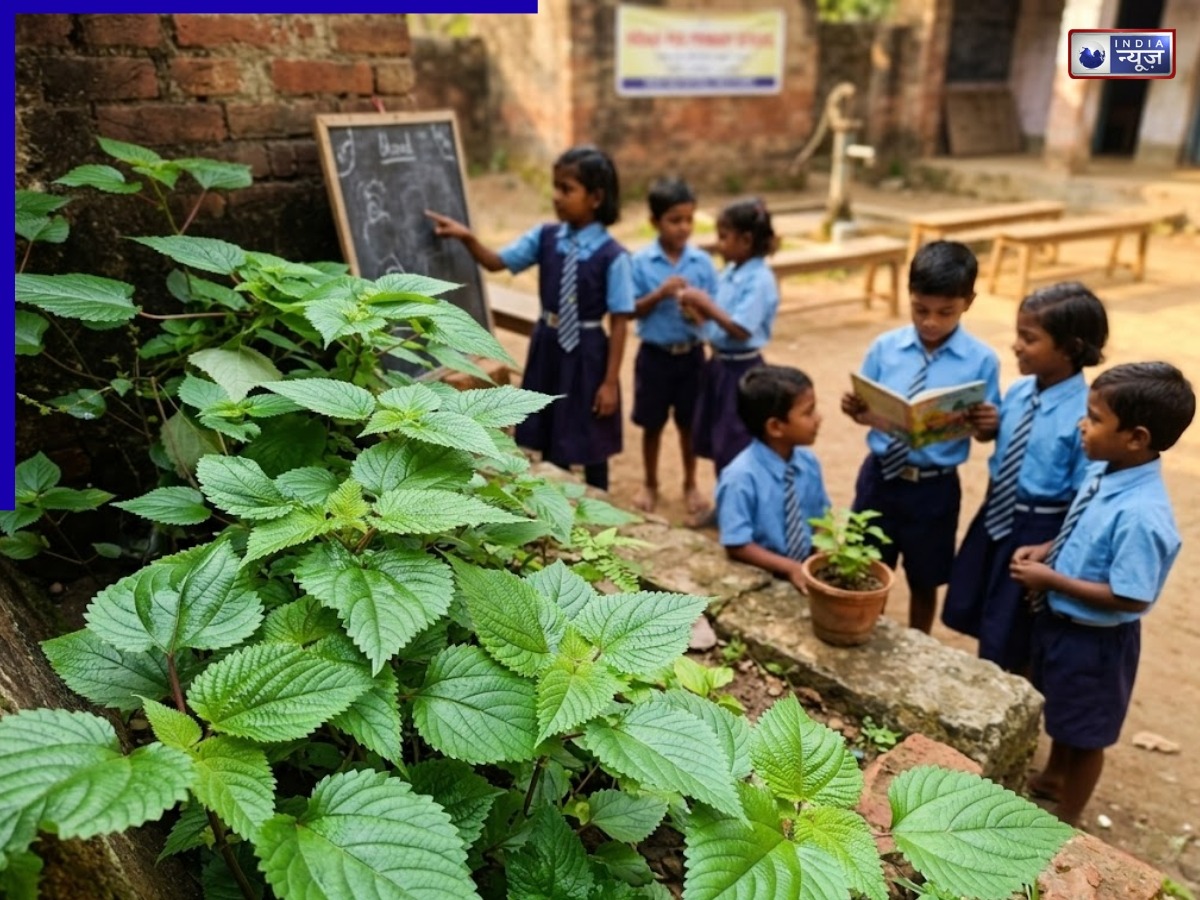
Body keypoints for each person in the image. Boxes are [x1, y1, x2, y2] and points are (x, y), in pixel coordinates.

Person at [1010, 362, 1195, 826]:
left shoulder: (1142, 515)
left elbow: (1131, 597)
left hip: (1096, 643)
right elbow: (1080, 529)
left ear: (1136, 437)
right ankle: (1052, 777)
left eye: (1093, 418)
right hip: (1061, 623)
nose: (1081, 425)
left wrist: (1050, 580)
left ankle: (1068, 821)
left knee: (1088, 733)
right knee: (1061, 710)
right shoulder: (1104, 471)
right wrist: (1048, 550)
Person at [426, 145, 633, 490]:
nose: (556, 197)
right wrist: (468, 238)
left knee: (591, 431)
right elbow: (496, 262)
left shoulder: (615, 257)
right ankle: (556, 494)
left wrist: (610, 382)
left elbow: (622, 321)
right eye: (555, 187)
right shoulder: (545, 237)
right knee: (552, 425)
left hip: (588, 352)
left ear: (596, 197)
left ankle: (598, 499)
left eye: (567, 190)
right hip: (549, 344)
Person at [943, 282, 1109, 673]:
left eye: (1028, 338)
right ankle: (990, 679)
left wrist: (1052, 545)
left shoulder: (1084, 417)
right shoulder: (1018, 392)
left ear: (1070, 348)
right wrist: (987, 426)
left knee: (1015, 626)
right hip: (996, 515)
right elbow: (1007, 443)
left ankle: (1013, 694)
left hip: (1038, 527)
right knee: (982, 603)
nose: (1016, 345)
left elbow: (1085, 495)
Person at [841, 240, 1001, 634]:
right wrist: (858, 411)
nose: (930, 321)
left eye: (945, 312)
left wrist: (986, 423)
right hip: (879, 477)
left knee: (925, 577)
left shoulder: (982, 361)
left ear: (969, 302)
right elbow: (867, 409)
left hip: (934, 489)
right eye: (920, 309)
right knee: (867, 565)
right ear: (909, 297)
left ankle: (918, 641)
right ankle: (865, 631)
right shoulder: (886, 348)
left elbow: (985, 433)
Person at [678, 197, 780, 506]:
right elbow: (719, 326)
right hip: (720, 366)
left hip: (744, 370)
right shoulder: (731, 272)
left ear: (746, 240)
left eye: (724, 237)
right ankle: (725, 504)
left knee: (736, 442)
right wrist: (694, 310)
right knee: (717, 439)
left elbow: (741, 329)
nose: (719, 244)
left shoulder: (760, 279)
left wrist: (706, 304)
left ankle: (740, 509)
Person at [629, 177, 719, 517]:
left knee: (689, 424)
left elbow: (713, 313)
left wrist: (697, 313)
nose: (683, 228)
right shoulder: (641, 262)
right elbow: (630, 309)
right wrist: (659, 294)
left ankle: (690, 483)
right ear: (655, 222)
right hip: (654, 356)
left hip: (692, 356)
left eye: (688, 220)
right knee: (652, 424)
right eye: (674, 220)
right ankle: (650, 482)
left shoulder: (702, 263)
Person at [715, 365, 829, 593]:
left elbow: (821, 519)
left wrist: (818, 557)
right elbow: (737, 544)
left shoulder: (808, 464)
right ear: (776, 427)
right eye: (808, 413)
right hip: (762, 579)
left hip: (805, 570)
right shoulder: (740, 477)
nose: (818, 419)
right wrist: (790, 568)